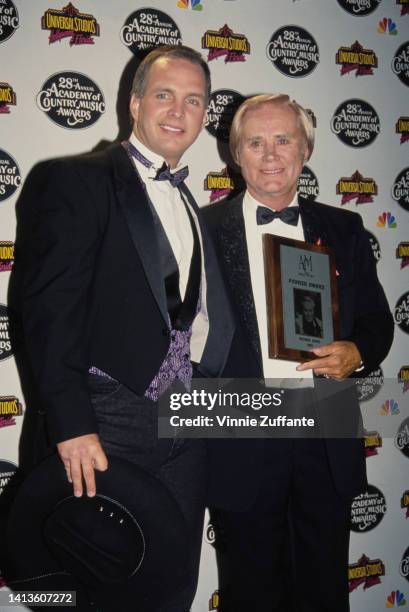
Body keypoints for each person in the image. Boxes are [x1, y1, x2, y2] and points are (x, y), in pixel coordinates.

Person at [21, 45, 233, 611]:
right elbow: (48, 311)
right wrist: (71, 424)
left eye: (194, 100)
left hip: (187, 427)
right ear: (135, 103)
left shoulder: (194, 203)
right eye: (164, 94)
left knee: (172, 582)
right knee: (99, 582)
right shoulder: (73, 180)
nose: (178, 110)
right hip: (106, 418)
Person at [203, 94, 394, 612]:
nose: (270, 154)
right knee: (249, 591)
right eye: (255, 142)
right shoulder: (202, 229)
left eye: (283, 139)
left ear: (305, 148)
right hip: (240, 431)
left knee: (324, 588)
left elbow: (378, 321)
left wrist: (357, 351)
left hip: (323, 430)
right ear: (235, 154)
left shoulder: (344, 229)